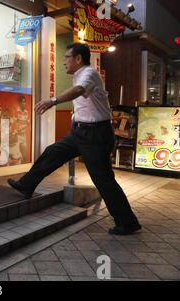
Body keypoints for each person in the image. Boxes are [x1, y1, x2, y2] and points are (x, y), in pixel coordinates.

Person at [8, 43, 141, 236]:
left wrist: (52, 101)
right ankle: (27, 185)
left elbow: (79, 91)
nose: (63, 62)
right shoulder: (78, 75)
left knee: (103, 180)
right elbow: (83, 105)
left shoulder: (89, 73)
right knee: (52, 152)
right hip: (80, 132)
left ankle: (127, 222)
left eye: (66, 57)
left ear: (78, 58)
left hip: (95, 135)